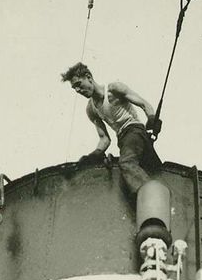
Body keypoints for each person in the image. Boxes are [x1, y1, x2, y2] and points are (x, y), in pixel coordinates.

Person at [60, 63, 163, 194]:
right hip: (123, 140)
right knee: (149, 169)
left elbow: (144, 104)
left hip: (134, 131)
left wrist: (152, 118)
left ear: (88, 77)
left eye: (79, 84)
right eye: (74, 88)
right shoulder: (91, 109)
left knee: (126, 163)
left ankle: (152, 197)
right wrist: (92, 156)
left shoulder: (114, 89)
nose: (78, 90)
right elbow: (104, 139)